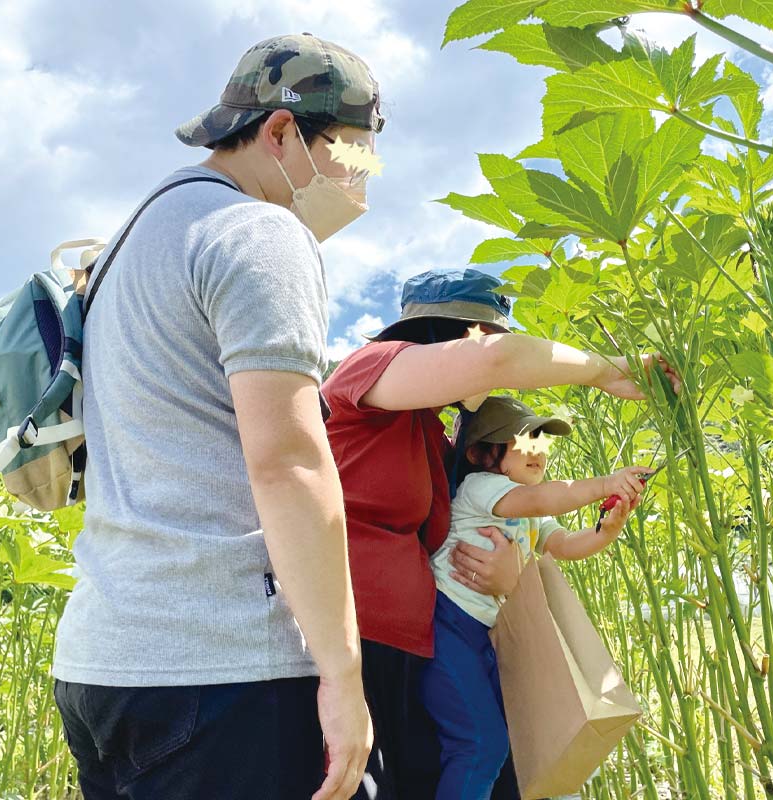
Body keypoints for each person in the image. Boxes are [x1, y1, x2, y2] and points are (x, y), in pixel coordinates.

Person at [52, 34, 381, 800]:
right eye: (356, 156)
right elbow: (290, 462)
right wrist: (342, 673)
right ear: (279, 132)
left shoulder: (126, 245)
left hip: (106, 662)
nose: (363, 183)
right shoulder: (260, 233)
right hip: (223, 666)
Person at [321, 268, 678, 799]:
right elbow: (495, 361)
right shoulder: (369, 367)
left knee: (473, 759)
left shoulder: (432, 428)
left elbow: (482, 530)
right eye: (491, 336)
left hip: (414, 642)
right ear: (463, 336)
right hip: (353, 640)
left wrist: (509, 577)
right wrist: (608, 370)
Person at [423, 395, 649, 799]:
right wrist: (604, 484)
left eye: (542, 441)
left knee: (493, 743)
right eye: (526, 439)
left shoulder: (530, 510)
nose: (539, 449)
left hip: (484, 637)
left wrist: (607, 531)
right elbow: (543, 498)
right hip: (448, 626)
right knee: (482, 745)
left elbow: (562, 543)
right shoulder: (482, 488)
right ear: (481, 452)